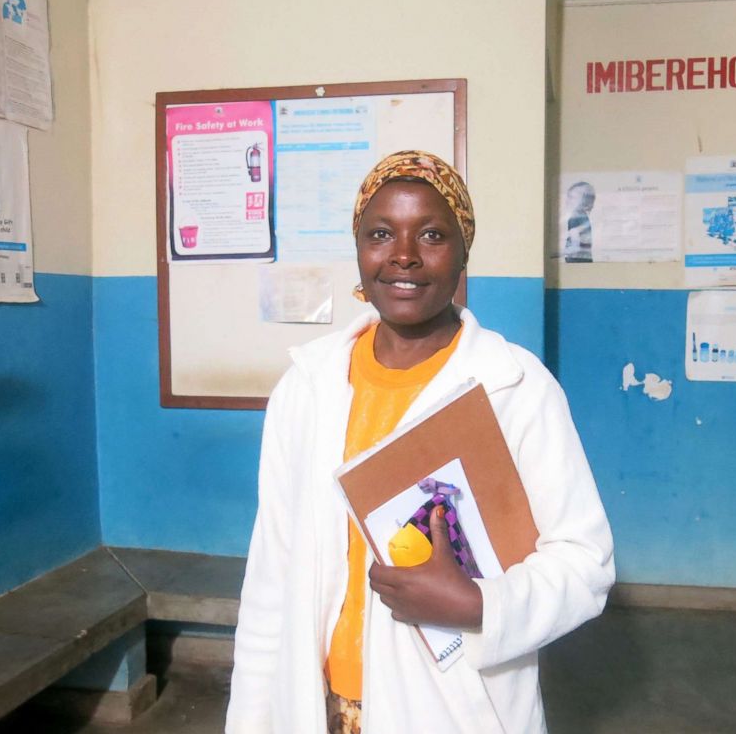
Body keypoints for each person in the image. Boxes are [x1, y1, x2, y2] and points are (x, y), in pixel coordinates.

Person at [226, 151, 615, 734]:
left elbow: (585, 563)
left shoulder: (514, 386)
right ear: (358, 249)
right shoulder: (307, 387)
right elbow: (272, 574)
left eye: (431, 235)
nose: (402, 255)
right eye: (380, 234)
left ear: (462, 254)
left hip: (450, 710)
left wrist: (481, 605)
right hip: (314, 704)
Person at [562, 180, 595, 262]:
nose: (567, 201)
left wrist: (555, 253)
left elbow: (575, 247)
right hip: (585, 261)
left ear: (584, 202)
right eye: (568, 197)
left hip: (576, 262)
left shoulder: (574, 218)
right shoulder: (584, 217)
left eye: (572, 198)